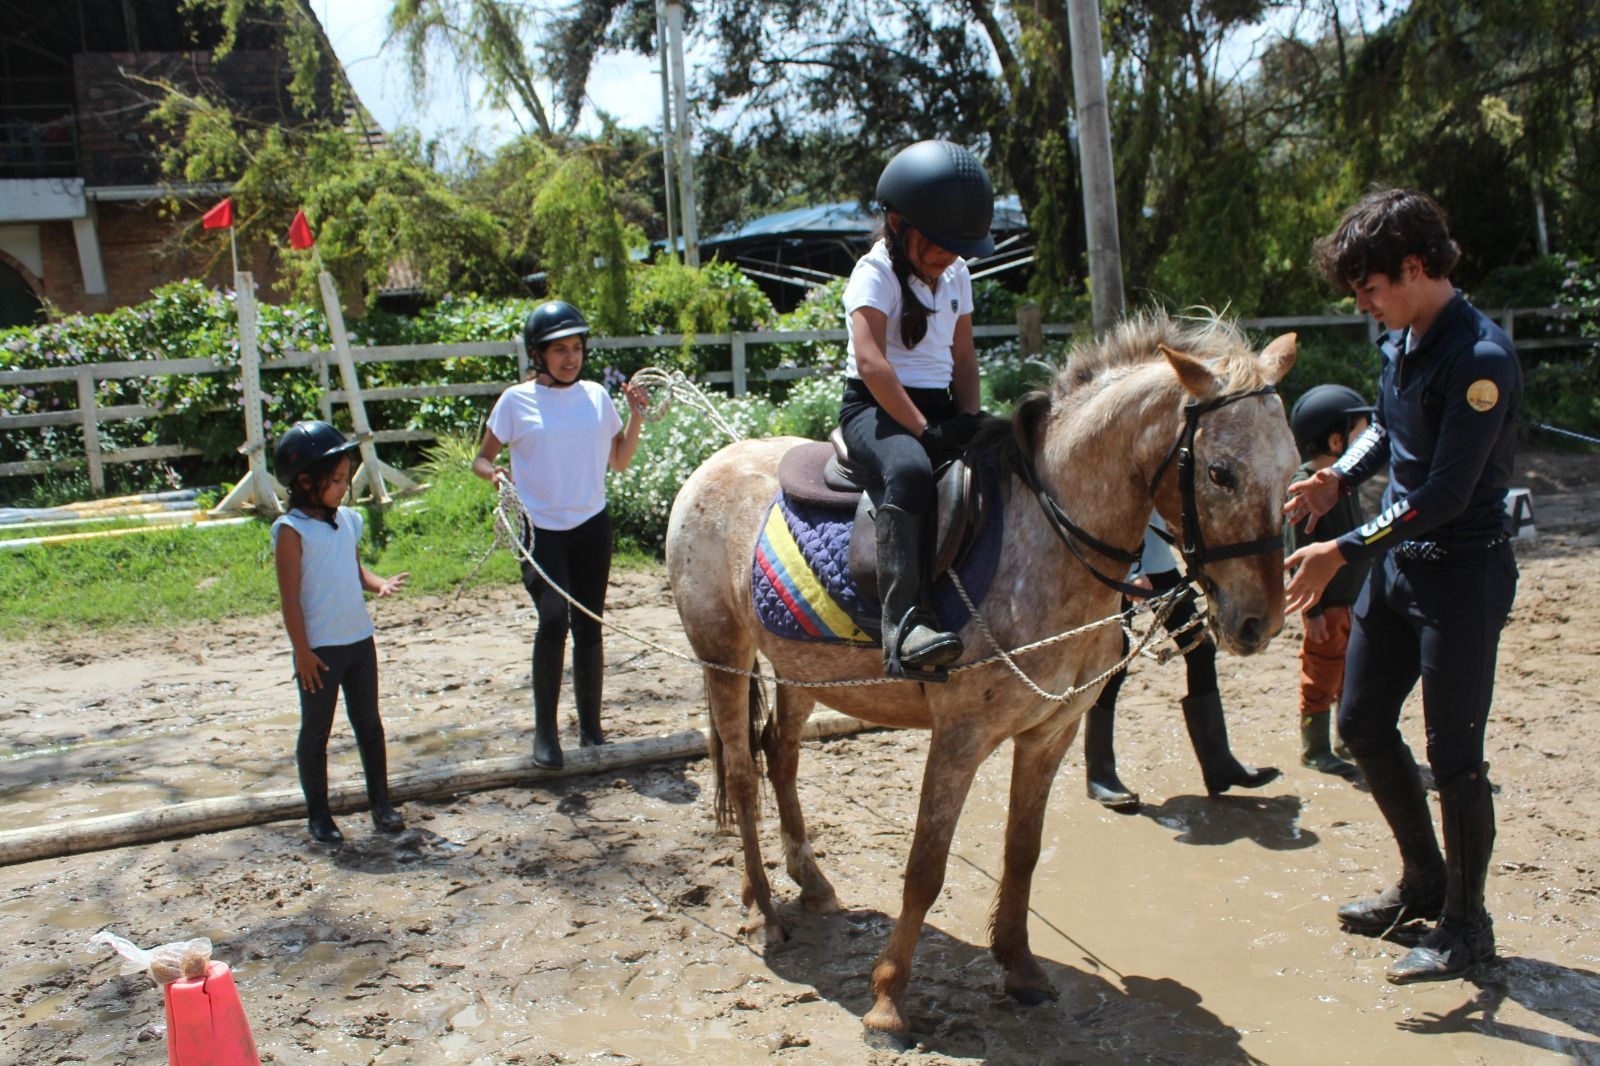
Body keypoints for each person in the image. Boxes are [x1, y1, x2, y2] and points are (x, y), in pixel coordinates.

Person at [1285, 188, 1521, 984]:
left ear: (1415, 267)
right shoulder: (1404, 339)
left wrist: (1342, 546)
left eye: (1370, 287)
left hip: (1462, 572)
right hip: (1400, 568)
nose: (1363, 303)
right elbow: (1384, 426)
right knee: (1360, 722)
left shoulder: (1480, 358)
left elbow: (1445, 494)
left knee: (1454, 757)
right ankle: (1424, 882)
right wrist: (1335, 478)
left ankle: (1467, 927)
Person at [472, 300, 649, 770]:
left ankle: (591, 730)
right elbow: (480, 459)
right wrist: (496, 476)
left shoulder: (595, 396)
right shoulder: (515, 401)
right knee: (554, 620)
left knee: (590, 623)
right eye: (559, 349)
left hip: (591, 525)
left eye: (577, 348)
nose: (571, 358)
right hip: (539, 530)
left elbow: (620, 460)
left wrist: (634, 415)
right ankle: (546, 735)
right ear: (539, 354)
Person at [841, 139, 992, 679]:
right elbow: (872, 362)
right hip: (876, 408)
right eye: (936, 244)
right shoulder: (873, 272)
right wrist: (925, 432)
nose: (946, 258)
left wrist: (970, 420)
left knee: (1004, 450)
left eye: (956, 248)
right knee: (907, 469)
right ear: (898, 223)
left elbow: (964, 355)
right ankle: (903, 626)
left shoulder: (957, 276)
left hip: (936, 406)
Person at [271, 420, 409, 844]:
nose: (344, 488)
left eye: (346, 479)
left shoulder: (347, 519)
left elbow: (352, 567)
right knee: (317, 730)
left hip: (358, 640)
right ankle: (319, 815)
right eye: (335, 480)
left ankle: (380, 804)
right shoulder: (291, 532)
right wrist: (302, 651)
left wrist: (377, 583)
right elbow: (290, 599)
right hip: (320, 650)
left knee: (369, 723)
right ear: (305, 482)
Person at [1084, 522, 1280, 809]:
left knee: (1200, 646)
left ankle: (1219, 764)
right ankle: (1099, 773)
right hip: (1116, 556)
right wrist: (1132, 572)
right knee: (1116, 659)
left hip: (1155, 555)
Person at [1285, 384, 1374, 780]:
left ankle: (1343, 738)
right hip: (1329, 604)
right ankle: (1316, 747)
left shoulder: (1342, 480)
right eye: (1359, 433)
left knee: (1350, 672)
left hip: (1354, 599)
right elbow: (1297, 559)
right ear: (1336, 440)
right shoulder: (1307, 486)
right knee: (1321, 672)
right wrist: (1313, 611)